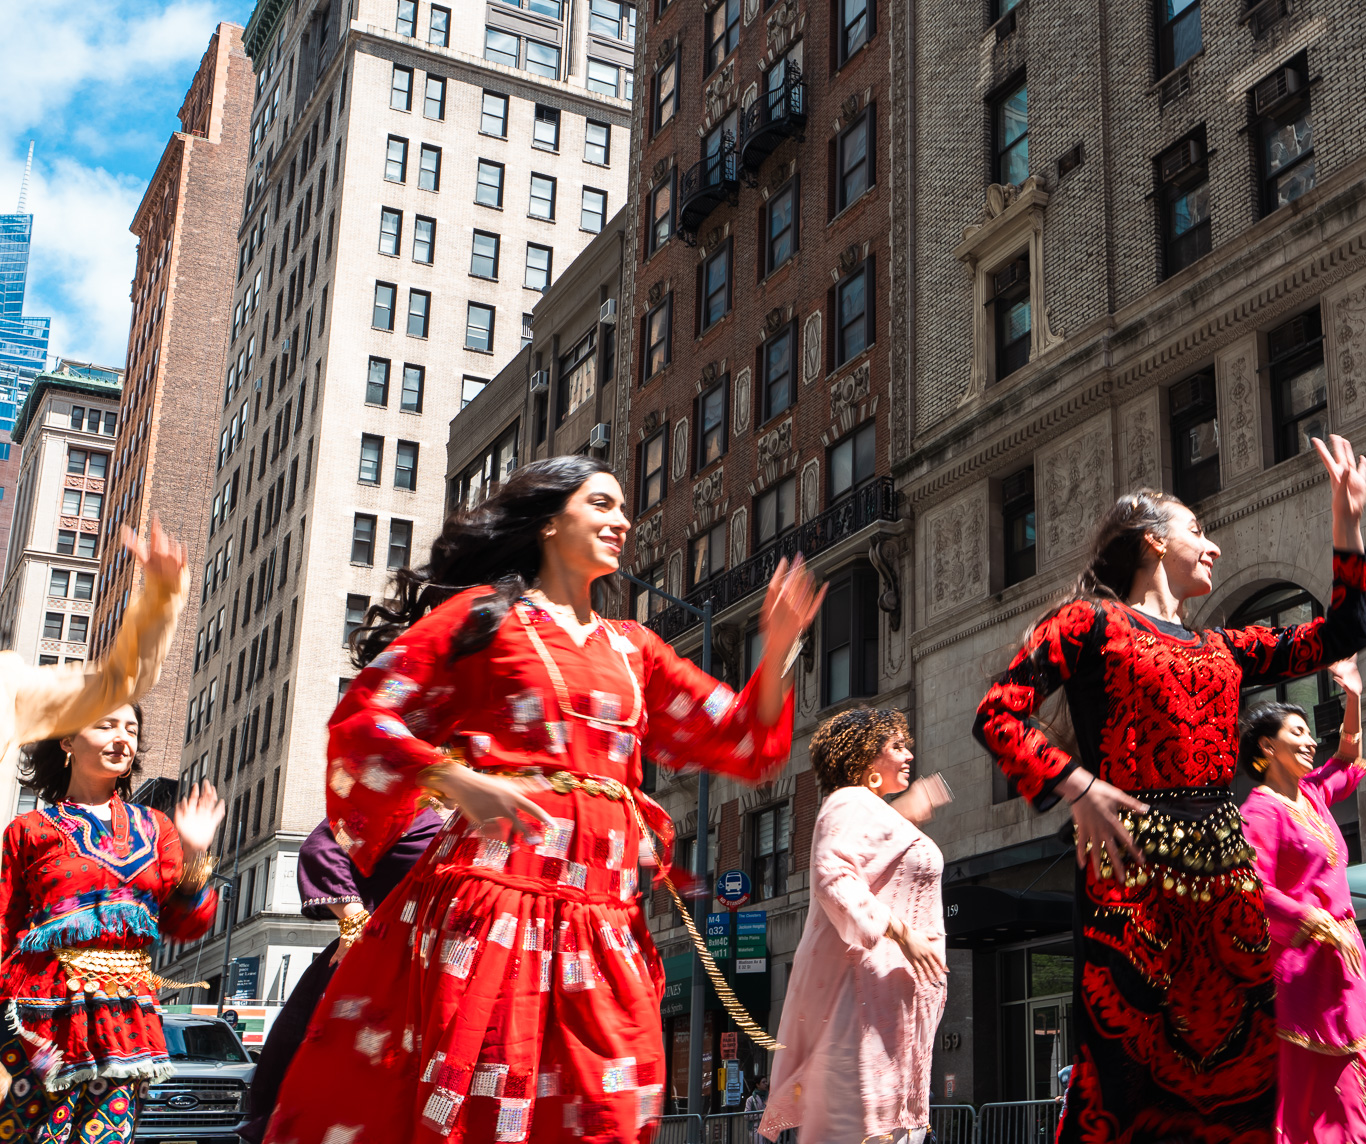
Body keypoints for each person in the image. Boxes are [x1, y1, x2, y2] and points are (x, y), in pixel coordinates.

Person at [261, 456, 820, 1144]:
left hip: (605, 919)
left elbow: (739, 739)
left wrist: (782, 645)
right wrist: (453, 777)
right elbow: (367, 717)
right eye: (603, 504)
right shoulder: (483, 619)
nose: (623, 520)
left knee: (613, 1108)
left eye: (623, 508)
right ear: (552, 522)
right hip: (498, 904)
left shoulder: (633, 649)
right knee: (487, 1100)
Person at [975, 436, 1366, 1144]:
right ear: (1152, 542)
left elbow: (1344, 631)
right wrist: (1078, 787)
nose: (1214, 547)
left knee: (1248, 1070)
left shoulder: (1222, 646)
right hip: (1131, 870)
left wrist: (1348, 526)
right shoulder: (1088, 623)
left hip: (1227, 879)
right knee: (1128, 1067)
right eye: (1198, 530)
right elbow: (997, 712)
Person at [0, 706, 225, 1144]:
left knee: (107, 1136)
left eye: (131, 729)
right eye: (105, 725)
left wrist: (197, 855)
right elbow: (5, 926)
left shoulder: (156, 827)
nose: (122, 737)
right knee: (30, 1135)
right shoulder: (28, 830)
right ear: (66, 741)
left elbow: (187, 924)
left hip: (124, 1017)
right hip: (42, 1018)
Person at [760, 708, 949, 1144]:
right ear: (865, 758)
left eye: (908, 746)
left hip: (892, 1020)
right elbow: (833, 877)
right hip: (863, 1014)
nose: (907, 755)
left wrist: (903, 812)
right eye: (896, 746)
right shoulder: (847, 802)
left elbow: (869, 855)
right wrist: (904, 935)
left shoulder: (869, 810)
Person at [1237, 656, 1366, 1144]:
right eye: (1297, 732)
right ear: (1267, 746)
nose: (1310, 741)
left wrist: (1353, 696)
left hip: (1344, 962)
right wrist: (1310, 917)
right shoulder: (1260, 811)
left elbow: (1347, 759)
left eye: (1309, 732)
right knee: (1317, 1095)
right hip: (1299, 970)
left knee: (1359, 1077)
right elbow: (1252, 887)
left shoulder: (1314, 796)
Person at [234, 808, 448, 1142]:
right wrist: (357, 925)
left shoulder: (502, 813)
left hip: (449, 975)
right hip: (379, 971)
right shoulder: (408, 806)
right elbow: (324, 847)